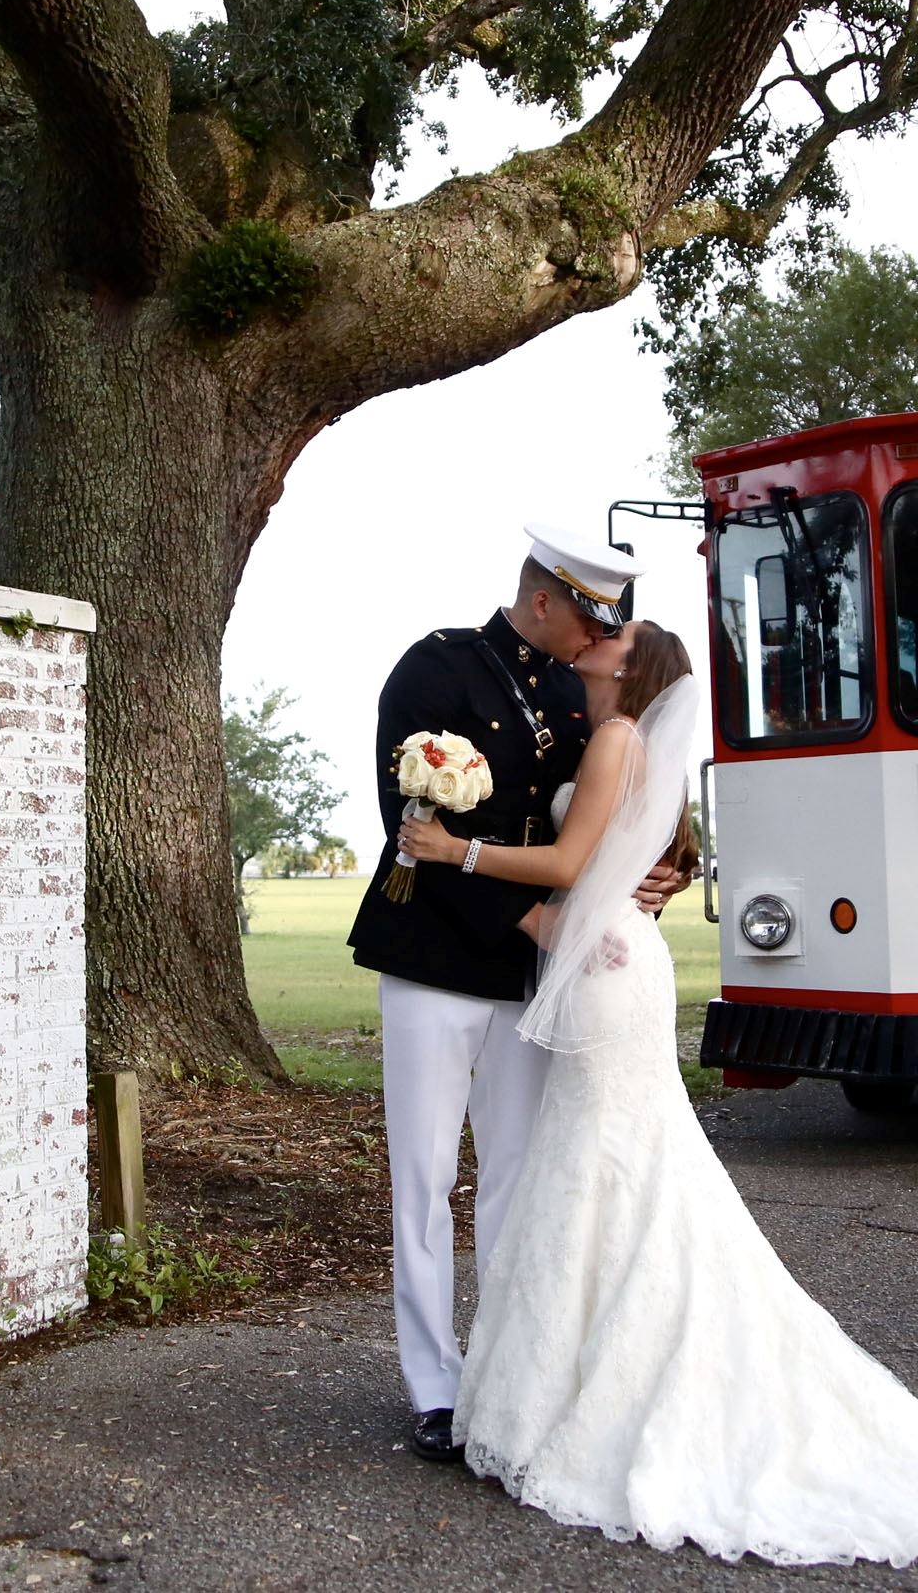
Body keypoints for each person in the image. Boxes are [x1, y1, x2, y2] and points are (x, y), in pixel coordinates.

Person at [396, 621, 918, 1567]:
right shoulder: (619, 739)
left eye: (616, 639)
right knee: (615, 1170)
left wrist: (458, 854)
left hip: (608, 971)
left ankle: (594, 1386)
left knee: (608, 1166)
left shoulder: (615, 739)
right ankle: (586, 1375)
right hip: (611, 957)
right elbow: (626, 859)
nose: (598, 642)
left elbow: (572, 866)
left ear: (633, 668)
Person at [345, 524, 684, 1466]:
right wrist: (533, 920)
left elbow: (617, 811)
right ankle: (432, 1385)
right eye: (587, 614)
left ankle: (502, 1369)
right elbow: (411, 827)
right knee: (423, 1179)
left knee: (516, 1178)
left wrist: (654, 877)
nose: (594, 636)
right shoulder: (437, 671)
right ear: (545, 600)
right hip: (434, 958)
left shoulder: (582, 697)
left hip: (533, 981)